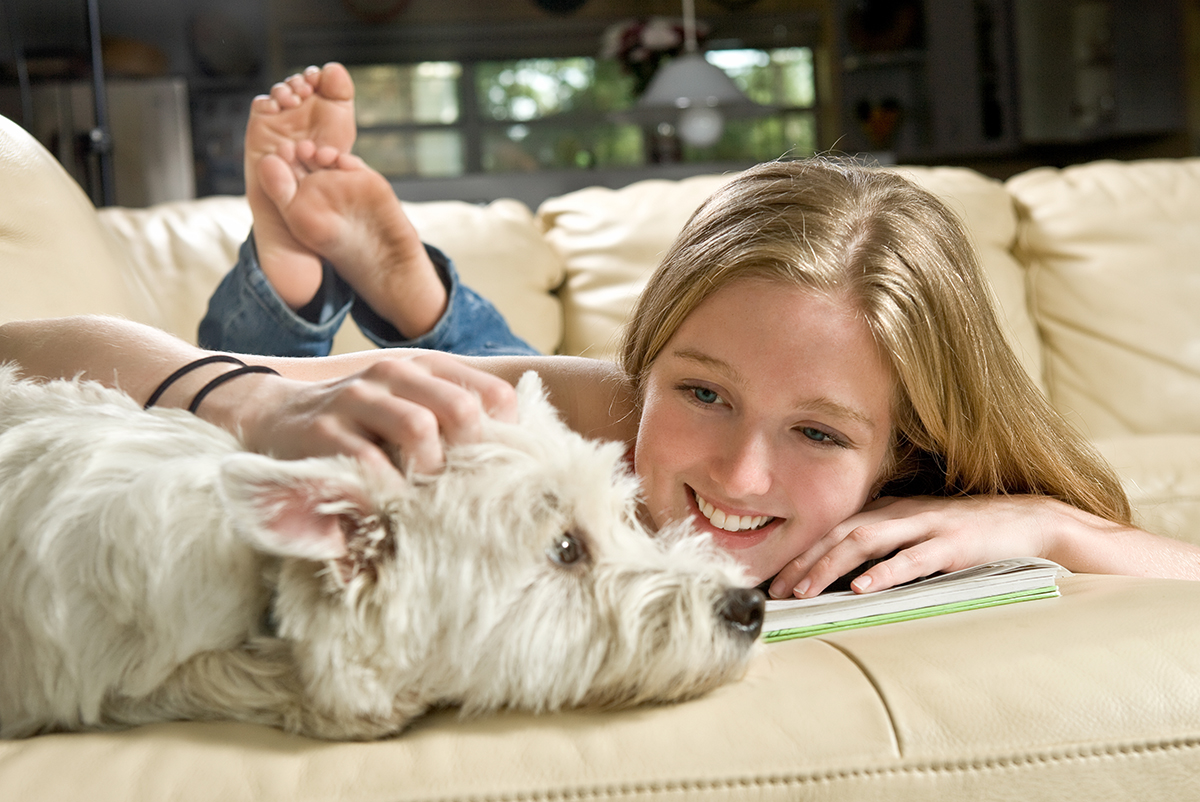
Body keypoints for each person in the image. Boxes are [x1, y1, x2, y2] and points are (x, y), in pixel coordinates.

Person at [3, 65, 1198, 602]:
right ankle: (404, 305)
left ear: (910, 451)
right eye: (706, 391)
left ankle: (425, 303)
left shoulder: (941, 498)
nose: (735, 477)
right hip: (547, 396)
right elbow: (36, 344)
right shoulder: (616, 416)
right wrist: (259, 398)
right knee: (437, 399)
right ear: (648, 363)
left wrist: (1050, 521)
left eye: (822, 431)